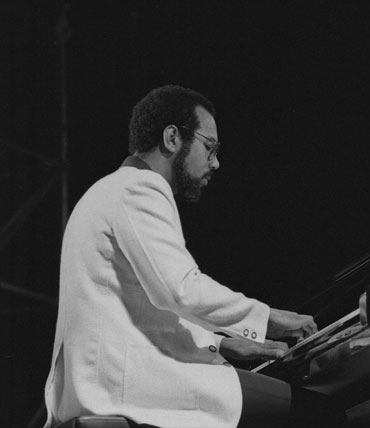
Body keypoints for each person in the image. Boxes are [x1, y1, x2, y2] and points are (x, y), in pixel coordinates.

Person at [43, 85, 325, 428]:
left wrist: (221, 346)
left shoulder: (107, 191)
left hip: (98, 381)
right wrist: (268, 319)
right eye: (210, 147)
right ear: (173, 138)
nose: (216, 162)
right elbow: (180, 290)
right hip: (128, 385)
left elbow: (145, 309)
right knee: (318, 412)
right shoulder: (140, 189)